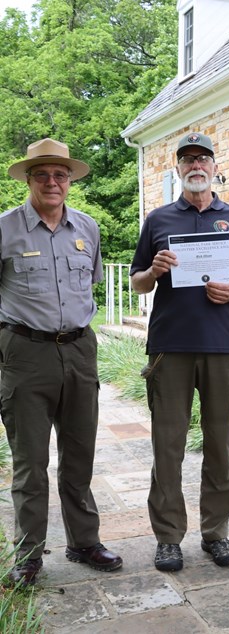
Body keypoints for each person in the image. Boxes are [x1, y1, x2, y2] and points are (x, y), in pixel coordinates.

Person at [130, 132, 229, 572]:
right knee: (167, 447)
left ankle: (216, 533)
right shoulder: (159, 219)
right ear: (177, 170)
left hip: (222, 347)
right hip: (170, 347)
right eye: (187, 160)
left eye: (202, 159)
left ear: (214, 166)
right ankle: (168, 537)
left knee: (220, 446)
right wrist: (154, 269)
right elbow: (137, 281)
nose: (195, 166)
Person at [0, 138, 122, 585]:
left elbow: (89, 283)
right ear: (28, 179)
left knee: (80, 453)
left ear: (70, 181)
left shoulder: (87, 228)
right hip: (24, 351)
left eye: (61, 174)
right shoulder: (5, 229)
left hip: (78, 348)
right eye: (42, 174)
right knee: (30, 461)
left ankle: (83, 541)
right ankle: (28, 555)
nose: (52, 182)